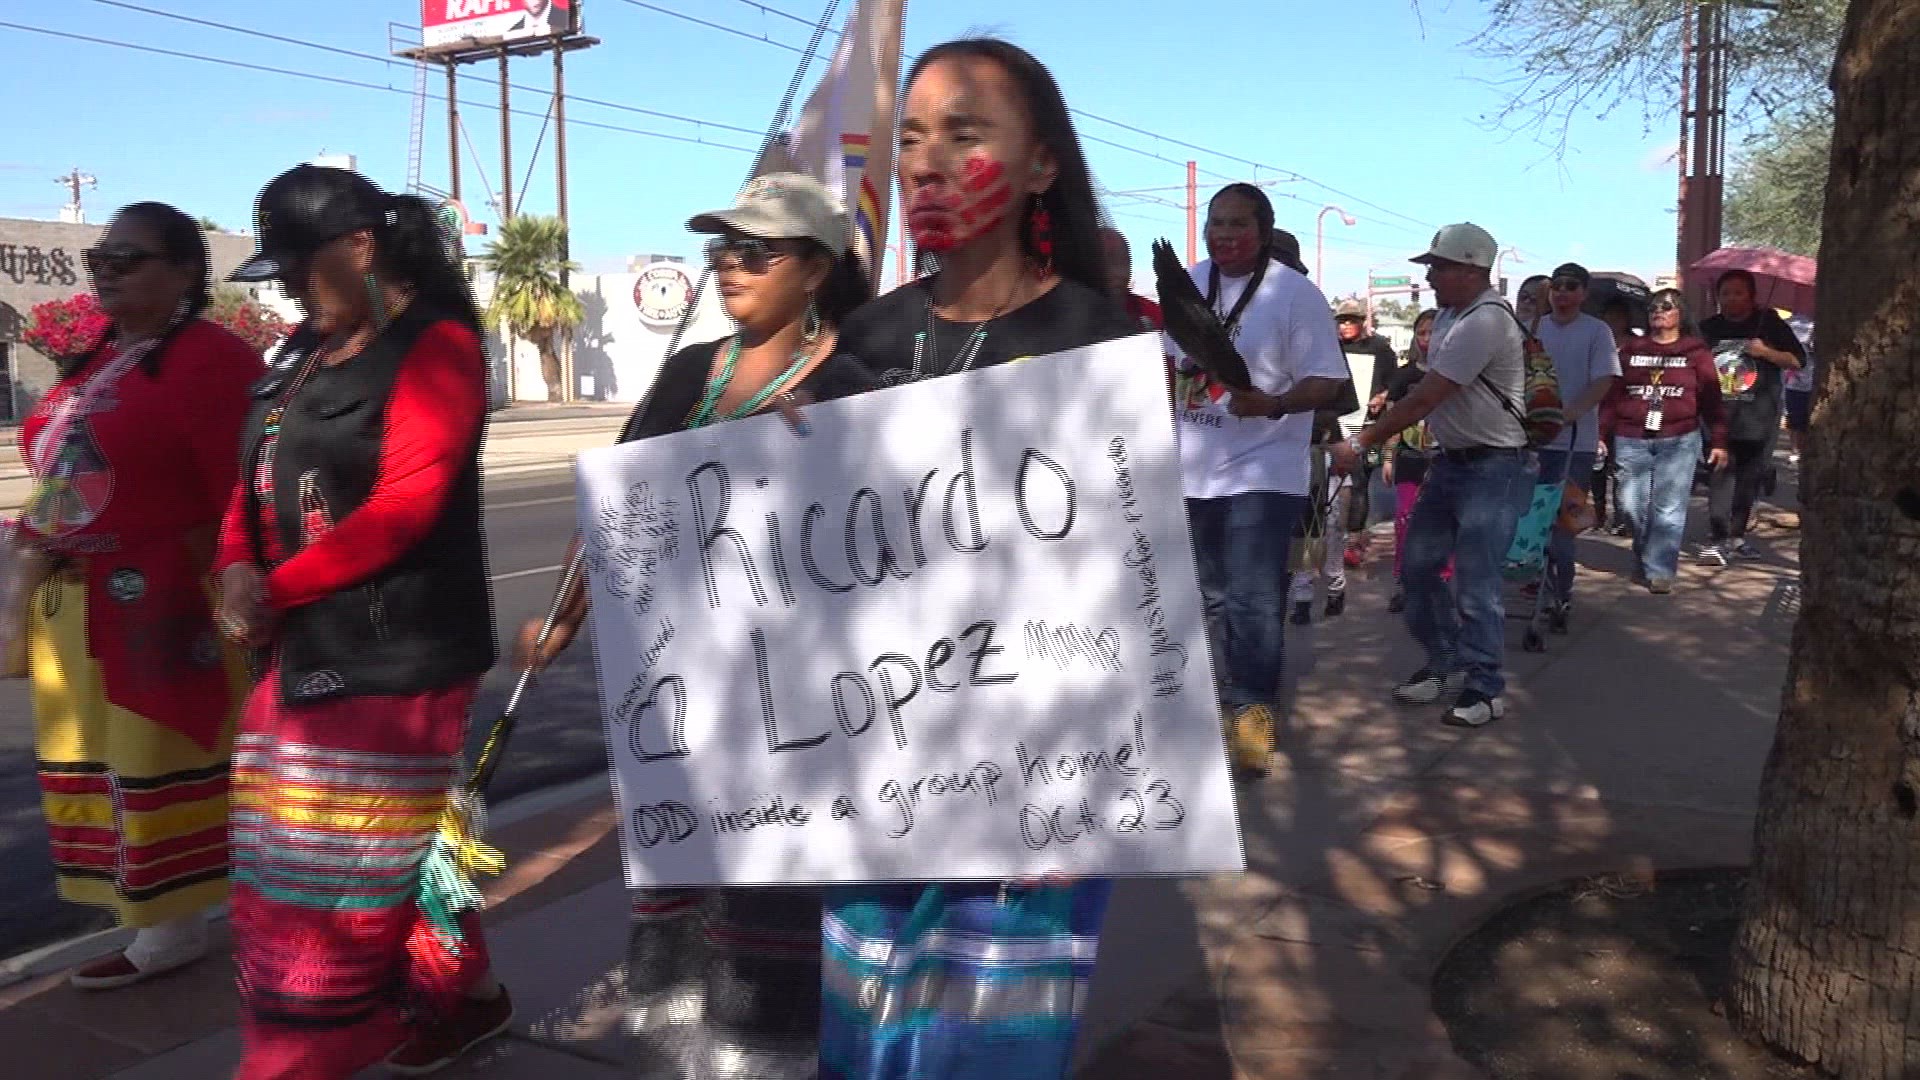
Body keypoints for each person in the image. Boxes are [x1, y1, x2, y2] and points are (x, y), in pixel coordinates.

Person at [823, 38, 1142, 1080]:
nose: (925, 162)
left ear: (1042, 166)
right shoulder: (863, 338)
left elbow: (1127, 587)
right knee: (865, 1024)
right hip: (878, 758)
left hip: (1030, 774)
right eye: (911, 137)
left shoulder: (1097, 342)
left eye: (965, 135)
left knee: (983, 1040)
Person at [516, 173, 875, 1078]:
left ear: (818, 269)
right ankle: (676, 1032)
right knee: (676, 866)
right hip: (677, 680)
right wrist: (562, 615)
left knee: (770, 885)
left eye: (758, 250)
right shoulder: (689, 372)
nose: (732, 266)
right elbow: (618, 507)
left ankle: (765, 1050)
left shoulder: (852, 381)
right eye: (723, 248)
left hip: (793, 693)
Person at [216, 165, 504, 1080]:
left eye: (300, 268)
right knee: (315, 864)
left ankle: (302, 1058)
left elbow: (404, 507)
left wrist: (274, 589)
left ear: (360, 247)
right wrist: (231, 566)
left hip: (396, 660)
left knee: (330, 885)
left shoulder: (440, 346)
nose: (291, 291)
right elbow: (248, 482)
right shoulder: (299, 355)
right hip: (299, 653)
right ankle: (465, 1001)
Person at [10, 202, 259, 990]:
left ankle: (189, 925)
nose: (108, 269)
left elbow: (241, 488)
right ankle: (152, 919)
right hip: (77, 607)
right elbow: (69, 476)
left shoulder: (213, 361)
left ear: (186, 270)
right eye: (99, 258)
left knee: (163, 759)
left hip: (164, 603)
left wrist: (223, 574)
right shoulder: (97, 360)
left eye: (129, 256)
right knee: (99, 767)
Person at [1331, 223, 1536, 729]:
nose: (1430, 276)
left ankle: (1486, 687)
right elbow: (1423, 389)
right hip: (1452, 462)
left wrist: (1361, 441)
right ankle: (1446, 662)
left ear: (1472, 269)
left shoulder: (1485, 321)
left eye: (1438, 267)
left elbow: (1427, 397)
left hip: (1494, 465)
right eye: (1429, 267)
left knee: (1476, 582)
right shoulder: (1448, 316)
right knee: (1418, 569)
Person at [1175, 181, 1348, 772]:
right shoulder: (1187, 283)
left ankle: (1252, 708)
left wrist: (1272, 405)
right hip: (1190, 471)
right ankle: (1218, 694)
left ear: (1264, 231)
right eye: (1216, 223)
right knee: (1213, 596)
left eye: (1238, 224)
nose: (1224, 234)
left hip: (1264, 469)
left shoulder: (1294, 294)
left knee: (1250, 594)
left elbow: (1329, 383)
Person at [1600, 288, 1728, 593]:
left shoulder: (1696, 351)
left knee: (1668, 507)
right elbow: (1612, 395)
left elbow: (1712, 397)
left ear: (1680, 314)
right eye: (1654, 307)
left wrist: (1719, 440)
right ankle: (1646, 553)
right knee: (1630, 505)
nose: (1659, 311)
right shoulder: (1631, 349)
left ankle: (1659, 570)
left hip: (1680, 439)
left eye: (1667, 307)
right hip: (1631, 437)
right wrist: (1601, 435)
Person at [1528, 263, 1620, 625]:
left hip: (1573, 444)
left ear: (1583, 293)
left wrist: (1570, 413)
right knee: (1528, 519)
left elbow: (1603, 381)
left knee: (1563, 524)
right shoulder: (1537, 328)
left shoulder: (1597, 332)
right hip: (1532, 440)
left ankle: (1560, 594)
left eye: (1570, 287)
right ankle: (1534, 585)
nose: (1562, 293)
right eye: (1557, 287)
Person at [1697, 269, 1804, 563]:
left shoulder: (1769, 323)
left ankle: (1737, 537)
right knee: (1719, 477)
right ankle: (1717, 538)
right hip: (1718, 416)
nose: (1731, 298)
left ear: (1751, 296)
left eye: (1738, 292)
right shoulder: (1707, 328)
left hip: (1760, 416)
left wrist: (1766, 351)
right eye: (1725, 293)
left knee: (1748, 479)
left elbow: (1798, 360)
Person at [1382, 308, 1440, 613]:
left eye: (1433, 331)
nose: (1427, 338)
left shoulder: (1452, 372)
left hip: (1444, 461)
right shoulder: (1404, 375)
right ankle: (1404, 582)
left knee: (1442, 525)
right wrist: (1389, 458)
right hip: (1409, 459)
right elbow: (1392, 420)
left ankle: (1440, 583)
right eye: (1422, 332)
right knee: (1405, 519)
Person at [1593, 297, 1636, 534]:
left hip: (1625, 413)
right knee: (1596, 465)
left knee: (1622, 467)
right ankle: (1598, 511)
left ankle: (1622, 516)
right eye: (1609, 315)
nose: (1614, 321)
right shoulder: (1596, 340)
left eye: (1619, 316)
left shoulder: (1636, 344)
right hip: (1596, 408)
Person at [1782, 317, 1814, 466]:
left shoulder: (1816, 351)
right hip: (1794, 387)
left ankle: (1805, 450)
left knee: (1807, 421)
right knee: (1794, 421)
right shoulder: (1796, 351)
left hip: (1812, 387)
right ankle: (1796, 450)